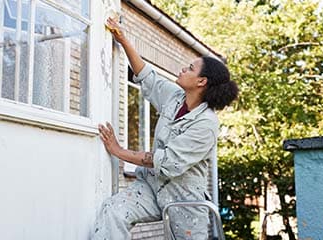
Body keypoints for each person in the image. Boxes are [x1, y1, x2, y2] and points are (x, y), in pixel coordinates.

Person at [93, 17, 239, 240]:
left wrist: (119, 151)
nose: (183, 69)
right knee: (114, 210)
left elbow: (168, 162)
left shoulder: (206, 124)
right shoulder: (175, 97)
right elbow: (146, 76)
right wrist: (123, 40)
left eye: (190, 68)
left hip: (185, 200)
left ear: (202, 82)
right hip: (152, 188)